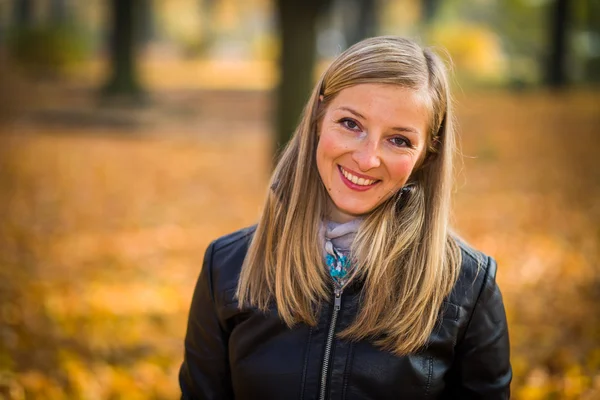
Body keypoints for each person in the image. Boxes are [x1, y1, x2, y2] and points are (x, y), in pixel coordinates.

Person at [179, 36, 511, 399]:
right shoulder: (227, 267)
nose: (367, 159)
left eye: (399, 140)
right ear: (320, 116)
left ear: (426, 156)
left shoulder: (467, 286)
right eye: (351, 124)